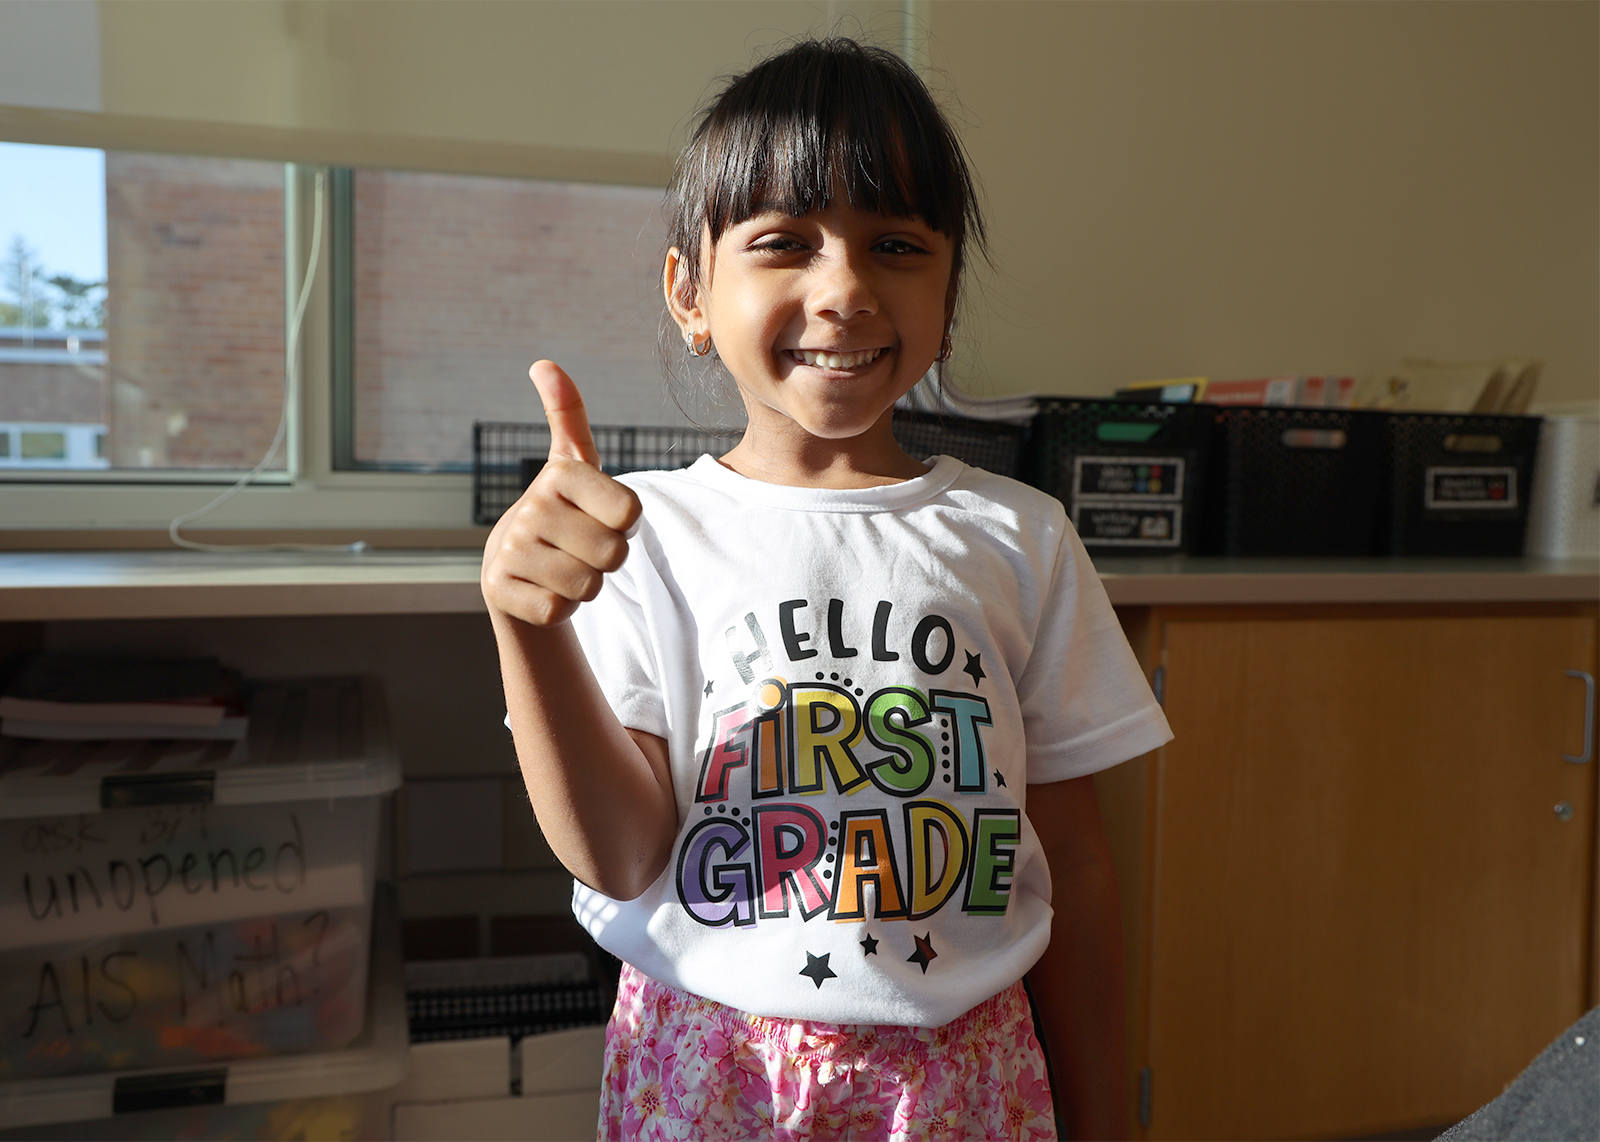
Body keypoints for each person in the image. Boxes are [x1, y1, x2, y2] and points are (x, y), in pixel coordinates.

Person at [482, 37, 1172, 1141]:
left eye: (895, 244)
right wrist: (528, 628)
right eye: (783, 243)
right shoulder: (637, 536)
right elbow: (617, 854)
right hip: (712, 1064)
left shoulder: (1020, 535)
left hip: (966, 1069)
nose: (844, 289)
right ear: (689, 291)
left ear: (948, 292)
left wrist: (1106, 1119)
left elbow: (1078, 869)